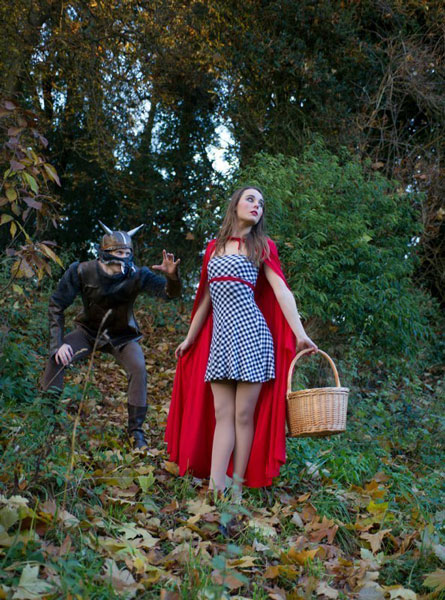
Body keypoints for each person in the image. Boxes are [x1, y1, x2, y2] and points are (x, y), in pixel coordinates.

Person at [165, 186, 317, 495]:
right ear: (235, 205)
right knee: (222, 414)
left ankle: (236, 488)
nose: (256, 205)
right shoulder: (214, 248)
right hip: (221, 341)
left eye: (261, 203)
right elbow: (206, 299)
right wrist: (190, 338)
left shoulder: (262, 246)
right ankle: (216, 489)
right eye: (250, 199)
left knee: (243, 416)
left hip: (252, 336)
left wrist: (300, 333)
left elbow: (281, 290)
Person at [41, 221, 181, 449]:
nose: (123, 258)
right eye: (118, 253)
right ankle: (45, 420)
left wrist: (172, 278)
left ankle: (136, 433)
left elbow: (169, 294)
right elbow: (56, 304)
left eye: (127, 253)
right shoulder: (82, 270)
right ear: (105, 253)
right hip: (87, 332)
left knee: (138, 368)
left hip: (122, 336)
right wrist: (57, 344)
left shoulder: (138, 275)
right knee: (56, 358)